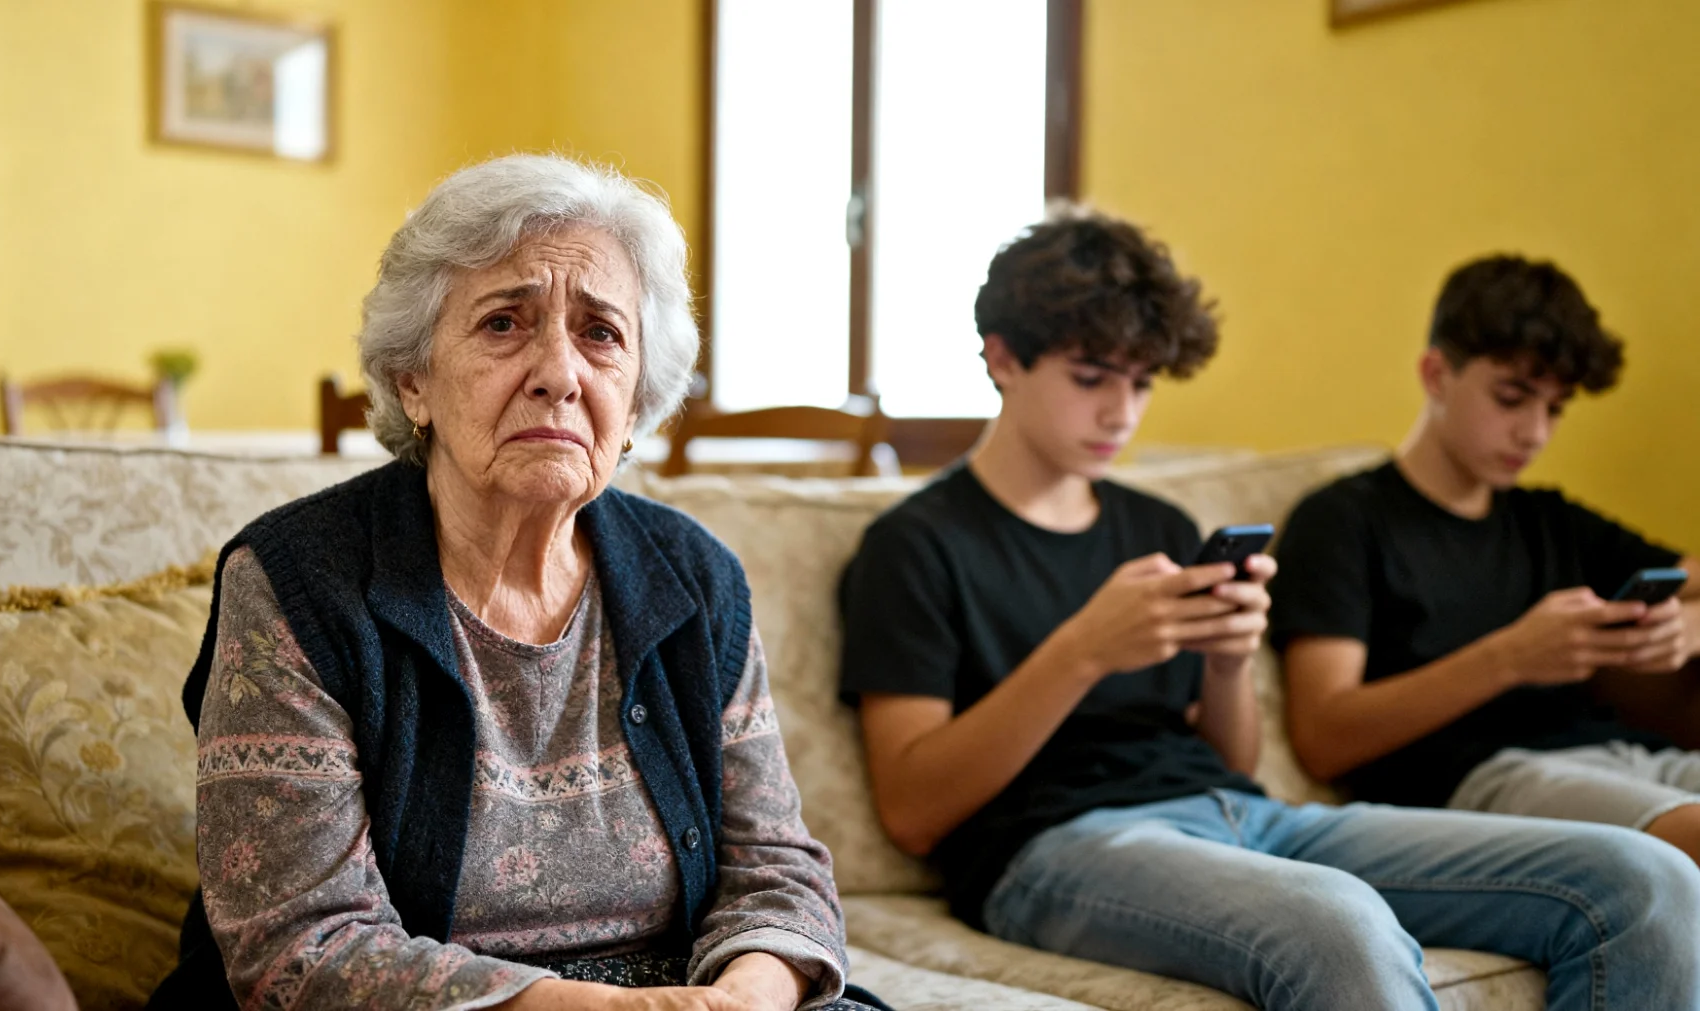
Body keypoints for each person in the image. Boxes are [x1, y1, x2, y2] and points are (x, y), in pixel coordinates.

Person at [836, 213, 1700, 1010]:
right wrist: (1082, 651)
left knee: (1645, 877)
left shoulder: (1158, 525)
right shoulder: (915, 544)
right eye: (1092, 378)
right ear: (1004, 359)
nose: (1121, 412)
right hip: (1052, 846)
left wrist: (1226, 664)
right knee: (1340, 922)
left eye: (1141, 382)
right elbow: (915, 807)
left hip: (1246, 813)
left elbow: (1231, 760)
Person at [147, 154, 883, 1011]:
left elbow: (777, 865)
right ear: (412, 380)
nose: (559, 373)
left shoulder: (693, 577)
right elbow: (302, 947)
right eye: (505, 323)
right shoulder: (299, 583)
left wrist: (744, 1000)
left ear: (638, 398)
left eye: (601, 334)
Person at [1272, 254, 1700, 864]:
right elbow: (1323, 736)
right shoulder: (1343, 519)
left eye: (1554, 409)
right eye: (1512, 398)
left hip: (1619, 754)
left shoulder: (1546, 519)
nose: (1534, 434)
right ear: (1436, 374)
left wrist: (1686, 628)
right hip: (1479, 783)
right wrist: (1510, 657)